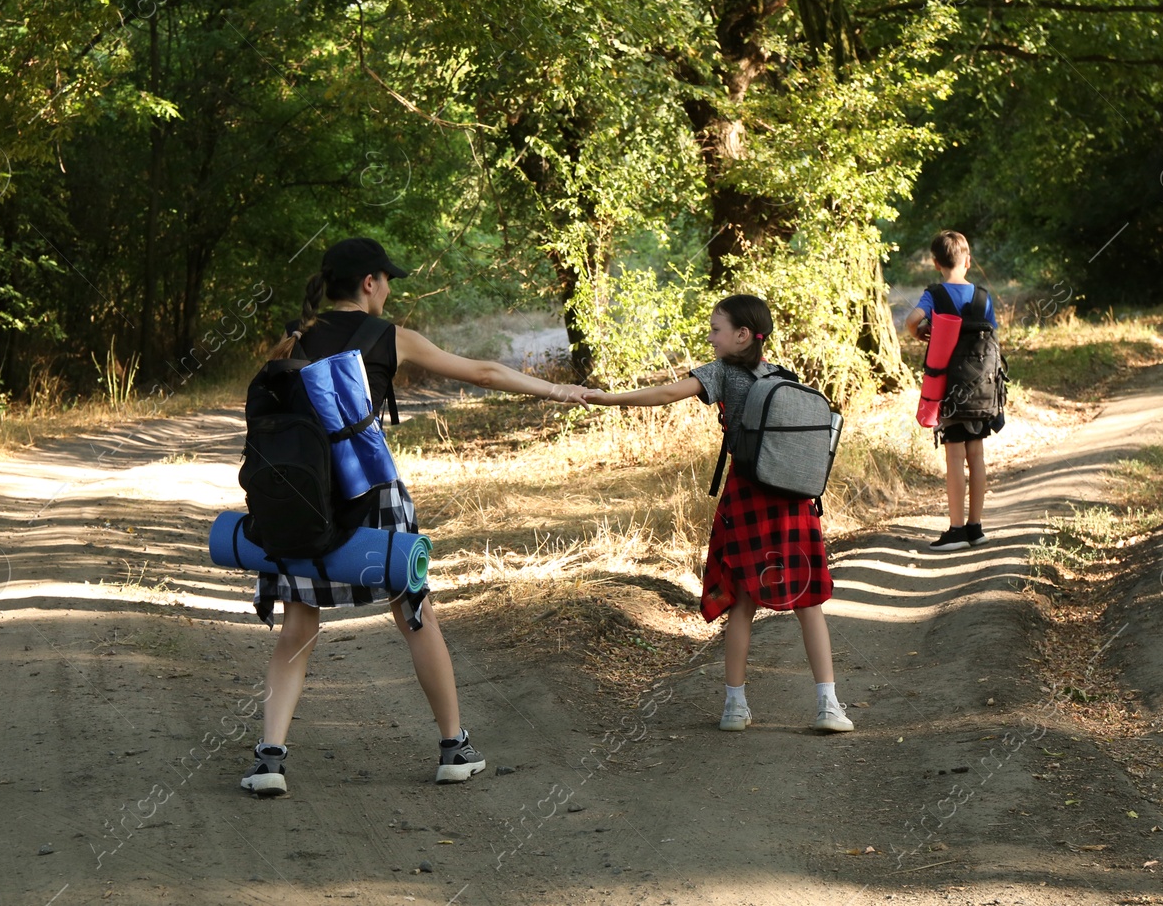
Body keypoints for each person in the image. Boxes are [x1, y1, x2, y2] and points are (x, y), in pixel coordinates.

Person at [241, 237, 588, 796]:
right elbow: (483, 373)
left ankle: (271, 761)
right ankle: (454, 747)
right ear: (370, 283)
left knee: (298, 627)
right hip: (371, 493)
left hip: (302, 500)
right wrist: (556, 389)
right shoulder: (389, 339)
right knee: (417, 614)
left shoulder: (294, 339)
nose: (389, 290)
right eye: (388, 280)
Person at [584, 294, 853, 735]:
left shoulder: (721, 374)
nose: (710, 337)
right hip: (792, 502)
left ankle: (735, 706)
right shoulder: (784, 377)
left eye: (715, 329)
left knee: (742, 602)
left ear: (742, 335)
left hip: (747, 498)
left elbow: (666, 393)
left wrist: (607, 399)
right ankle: (828, 704)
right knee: (809, 602)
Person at [902, 230, 1001, 552]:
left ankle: (956, 530)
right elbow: (993, 341)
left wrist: (921, 332)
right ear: (968, 261)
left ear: (935, 263)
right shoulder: (983, 297)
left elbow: (911, 321)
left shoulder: (935, 295)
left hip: (949, 389)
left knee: (955, 457)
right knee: (978, 455)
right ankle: (976, 528)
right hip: (983, 388)